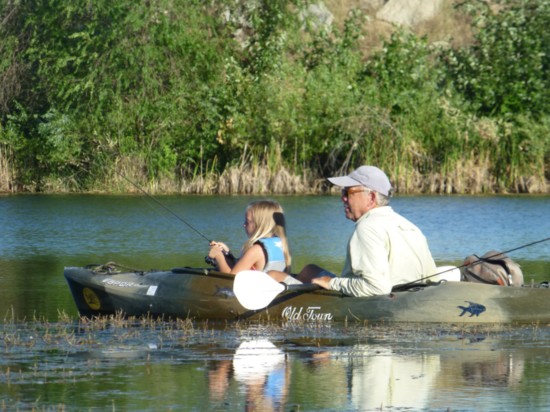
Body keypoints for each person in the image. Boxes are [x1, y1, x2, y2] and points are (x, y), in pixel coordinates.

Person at [274, 165, 437, 297]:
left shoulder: (367, 228)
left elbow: (377, 288)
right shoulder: (410, 226)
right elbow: (433, 278)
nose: (343, 198)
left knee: (274, 276)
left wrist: (331, 283)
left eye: (348, 192)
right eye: (342, 192)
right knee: (309, 270)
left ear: (372, 198)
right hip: (410, 297)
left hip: (382, 301)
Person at [208, 199, 291, 275]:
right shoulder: (282, 244)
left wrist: (218, 256)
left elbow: (232, 278)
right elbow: (242, 268)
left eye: (247, 222)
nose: (243, 225)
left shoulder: (256, 250)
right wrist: (228, 255)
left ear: (260, 225)